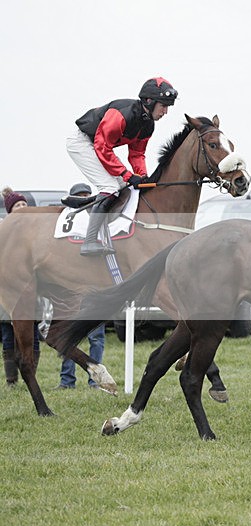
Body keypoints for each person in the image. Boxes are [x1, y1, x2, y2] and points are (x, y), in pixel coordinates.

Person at [66, 77, 178, 256]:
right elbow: (102, 146)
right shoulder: (122, 115)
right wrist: (127, 174)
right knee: (110, 187)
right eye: (163, 106)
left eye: (168, 107)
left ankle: (88, 203)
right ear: (149, 101)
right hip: (81, 142)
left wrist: (141, 176)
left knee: (121, 187)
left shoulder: (148, 125)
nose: (165, 112)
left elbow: (136, 154)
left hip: (97, 145)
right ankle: (89, 241)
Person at [57, 183, 106, 389]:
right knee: (76, 337)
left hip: (88, 289)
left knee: (94, 338)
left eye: (86, 196)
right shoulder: (89, 221)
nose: (85, 199)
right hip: (80, 287)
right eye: (82, 196)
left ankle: (89, 380)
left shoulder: (68, 222)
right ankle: (68, 380)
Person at [1, 188, 37, 385]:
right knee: (9, 335)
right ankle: (11, 379)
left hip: (30, 291)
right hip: (8, 289)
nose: (23, 208)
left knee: (32, 336)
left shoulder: (35, 232)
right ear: (10, 211)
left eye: (25, 205)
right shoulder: (5, 231)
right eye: (18, 206)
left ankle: (31, 375)